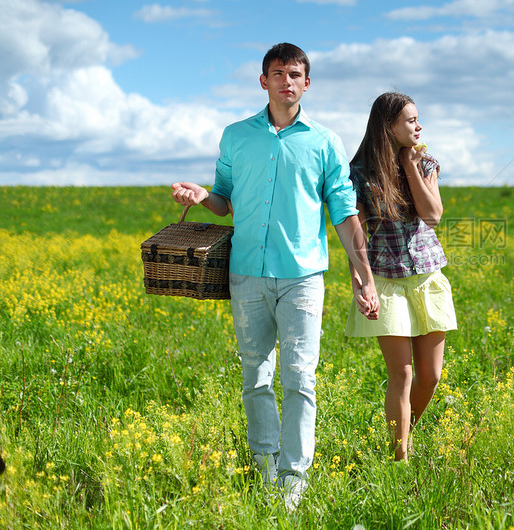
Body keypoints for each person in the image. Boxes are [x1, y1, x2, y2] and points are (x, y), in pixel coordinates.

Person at [171, 43, 379, 509]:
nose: (287, 80)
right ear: (263, 81)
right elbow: (224, 200)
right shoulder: (235, 136)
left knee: (300, 377)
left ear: (307, 84)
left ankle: (293, 482)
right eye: (278, 73)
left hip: (303, 277)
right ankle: (264, 471)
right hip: (246, 274)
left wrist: (363, 276)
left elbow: (344, 213)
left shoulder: (325, 142)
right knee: (256, 376)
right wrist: (203, 195)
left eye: (295, 74)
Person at [344, 92, 457, 462]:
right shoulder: (358, 173)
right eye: (411, 121)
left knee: (431, 376)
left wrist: (410, 165)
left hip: (427, 275)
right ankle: (399, 460)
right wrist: (363, 284)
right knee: (403, 374)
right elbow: (355, 233)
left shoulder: (425, 163)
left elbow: (433, 215)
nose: (419, 126)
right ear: (388, 126)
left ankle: (403, 433)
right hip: (386, 278)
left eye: (418, 119)